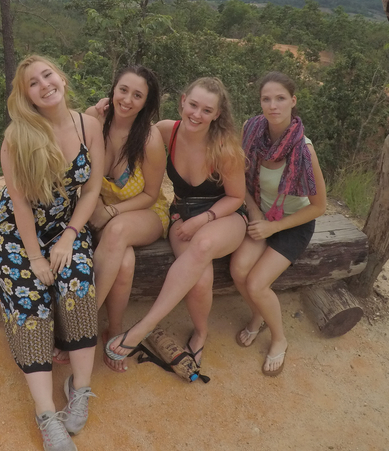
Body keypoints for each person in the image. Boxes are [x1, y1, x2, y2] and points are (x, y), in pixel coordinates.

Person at [0, 55, 105, 451]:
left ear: (62, 79)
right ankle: (46, 415)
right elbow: (20, 205)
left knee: (77, 285)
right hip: (16, 234)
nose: (44, 85)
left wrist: (71, 235)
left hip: (65, 228)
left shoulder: (89, 126)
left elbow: (91, 190)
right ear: (28, 97)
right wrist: (35, 258)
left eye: (47, 75)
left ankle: (80, 388)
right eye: (33, 84)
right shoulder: (17, 138)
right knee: (30, 301)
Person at [105, 76, 247, 369]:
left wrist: (203, 221)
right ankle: (201, 331)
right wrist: (102, 110)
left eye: (207, 110)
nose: (197, 114)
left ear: (217, 114)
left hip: (224, 214)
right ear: (183, 101)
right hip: (182, 212)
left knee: (204, 243)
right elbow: (131, 128)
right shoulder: (166, 131)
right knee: (201, 279)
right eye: (193, 105)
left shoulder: (225, 148)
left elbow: (235, 197)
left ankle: (145, 326)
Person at [230, 72, 326, 377]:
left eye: (280, 98)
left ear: (293, 101)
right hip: (259, 213)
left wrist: (274, 227)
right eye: (266, 99)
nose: (273, 105)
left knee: (257, 283)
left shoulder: (304, 150)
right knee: (238, 269)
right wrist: (256, 213)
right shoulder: (251, 129)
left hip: (293, 222)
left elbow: (319, 207)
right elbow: (238, 178)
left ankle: (279, 337)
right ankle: (258, 315)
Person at [82, 66, 170, 373]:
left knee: (118, 231)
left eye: (137, 95)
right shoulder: (95, 122)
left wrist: (111, 212)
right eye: (123, 90)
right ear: (113, 89)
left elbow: (150, 194)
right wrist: (92, 111)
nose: (128, 100)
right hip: (101, 215)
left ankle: (80, 326)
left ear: (146, 102)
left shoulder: (149, 139)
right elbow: (64, 132)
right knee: (126, 262)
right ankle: (113, 330)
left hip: (143, 212)